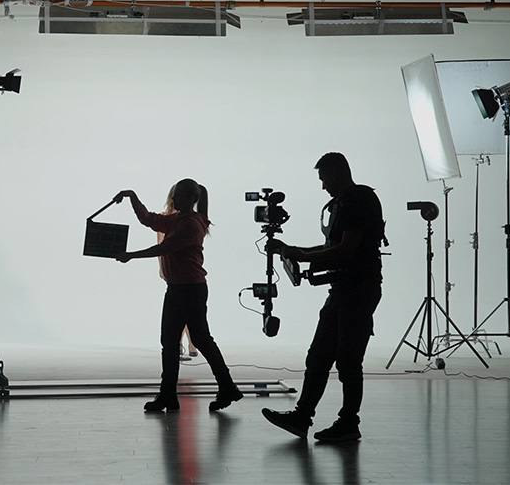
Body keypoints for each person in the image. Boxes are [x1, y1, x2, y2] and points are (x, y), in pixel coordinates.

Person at [262, 153, 386, 442]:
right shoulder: (347, 202)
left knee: (348, 360)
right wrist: (294, 251)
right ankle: (302, 416)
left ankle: (347, 423)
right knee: (319, 356)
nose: (323, 187)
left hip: (357, 291)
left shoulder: (357, 201)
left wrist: (302, 255)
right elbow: (334, 246)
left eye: (324, 179)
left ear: (336, 173)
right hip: (343, 289)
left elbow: (346, 250)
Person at [114, 179, 243, 412]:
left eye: (179, 196)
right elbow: (149, 219)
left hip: (187, 290)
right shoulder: (179, 220)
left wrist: (130, 255)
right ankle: (219, 388)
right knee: (185, 340)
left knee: (182, 341)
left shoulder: (190, 224)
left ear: (191, 199)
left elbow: (164, 247)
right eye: (174, 196)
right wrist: (132, 196)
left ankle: (177, 394)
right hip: (182, 288)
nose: (173, 200)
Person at [159, 183, 199, 360]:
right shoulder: (172, 219)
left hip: (181, 277)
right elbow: (162, 246)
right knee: (186, 316)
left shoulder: (185, 220)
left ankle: (188, 344)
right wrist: (162, 268)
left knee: (182, 317)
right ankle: (188, 344)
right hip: (180, 275)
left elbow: (161, 246)